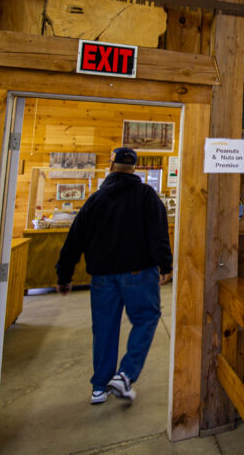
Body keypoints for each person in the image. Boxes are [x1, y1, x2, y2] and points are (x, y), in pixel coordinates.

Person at [56, 147, 173, 406]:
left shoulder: (95, 200)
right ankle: (125, 374)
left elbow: (74, 240)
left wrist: (64, 275)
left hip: (102, 276)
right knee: (146, 318)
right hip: (139, 272)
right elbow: (158, 233)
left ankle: (99, 387)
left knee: (104, 329)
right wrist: (165, 266)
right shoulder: (146, 195)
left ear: (111, 166)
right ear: (135, 168)